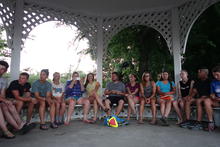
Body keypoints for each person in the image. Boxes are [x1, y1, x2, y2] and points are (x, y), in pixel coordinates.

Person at [0, 61, 16, 138]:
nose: (0, 70)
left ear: (5, 71)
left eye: (2, 69)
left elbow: (2, 95)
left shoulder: (4, 80)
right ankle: (5, 131)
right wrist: (5, 100)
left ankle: (18, 125)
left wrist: (6, 101)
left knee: (6, 105)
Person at [204, 66, 220, 131]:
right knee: (207, 100)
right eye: (214, 75)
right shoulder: (213, 82)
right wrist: (212, 96)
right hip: (217, 101)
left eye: (217, 75)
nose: (215, 77)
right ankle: (211, 123)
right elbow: (212, 93)